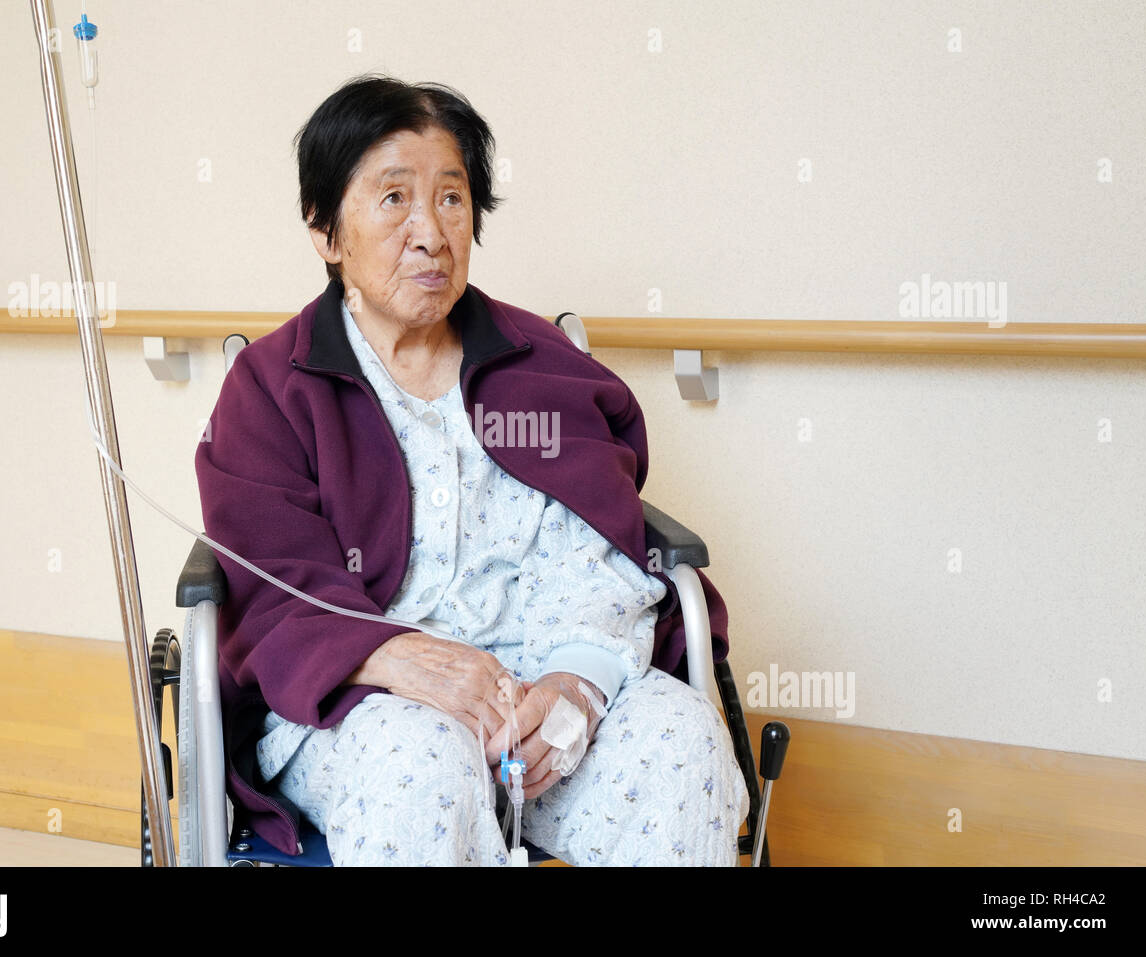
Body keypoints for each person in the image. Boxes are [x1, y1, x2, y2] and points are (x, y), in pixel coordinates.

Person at [195, 73, 749, 866]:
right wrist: (390, 655)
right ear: (325, 231)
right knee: (421, 763)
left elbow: (598, 548)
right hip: (367, 703)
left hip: (539, 684)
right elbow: (271, 585)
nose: (430, 231)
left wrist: (575, 683)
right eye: (394, 199)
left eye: (451, 199)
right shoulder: (273, 391)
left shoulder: (540, 367)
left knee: (682, 743)